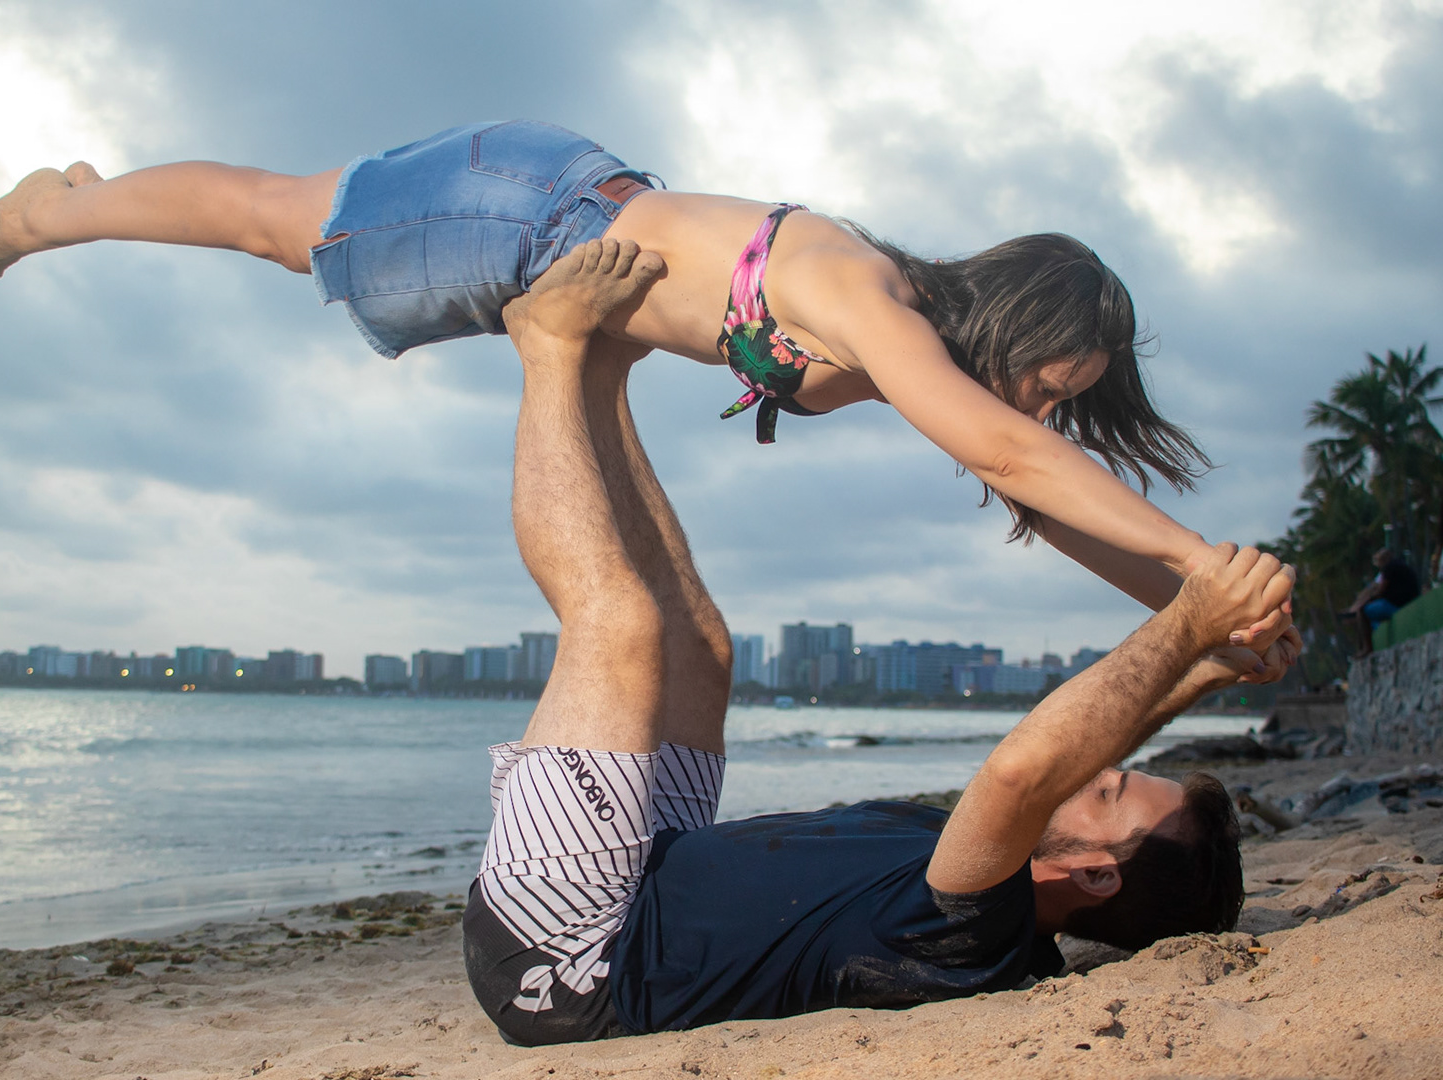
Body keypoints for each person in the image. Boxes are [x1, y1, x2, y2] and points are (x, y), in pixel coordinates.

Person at [0, 121, 1285, 651]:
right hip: (530, 213)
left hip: (559, 213)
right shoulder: (869, 303)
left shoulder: (909, 357)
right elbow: (1014, 460)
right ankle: (51, 211)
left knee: (282, 219)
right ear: (1015, 323)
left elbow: (1043, 495)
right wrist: (1205, 559)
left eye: (1064, 401)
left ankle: (82, 198)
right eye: (1050, 384)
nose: (1044, 416)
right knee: (274, 221)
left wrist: (1206, 614)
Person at [464, 237, 1298, 1044]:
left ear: (1094, 874)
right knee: (702, 649)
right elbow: (1088, 735)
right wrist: (1206, 668)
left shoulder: (971, 932)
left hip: (569, 954)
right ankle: (604, 374)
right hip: (652, 862)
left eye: (1107, 792)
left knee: (620, 626)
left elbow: (1024, 771)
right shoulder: (985, 890)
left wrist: (1184, 621)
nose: (1095, 767)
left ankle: (547, 349)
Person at [1345, 547, 1422, 655]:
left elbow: (1380, 591)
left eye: (1378, 561)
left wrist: (1364, 603)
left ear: (1384, 559)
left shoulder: (1389, 568)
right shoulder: (1400, 565)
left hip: (1397, 605)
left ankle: (1367, 648)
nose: (1378, 565)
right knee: (1371, 619)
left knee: (1362, 612)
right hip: (1408, 603)